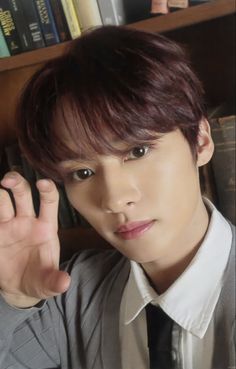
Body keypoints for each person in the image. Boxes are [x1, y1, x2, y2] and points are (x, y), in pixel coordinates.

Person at [0, 26, 235, 369]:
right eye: (82, 173)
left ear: (200, 140)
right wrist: (13, 301)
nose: (113, 198)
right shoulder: (71, 296)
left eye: (137, 151)